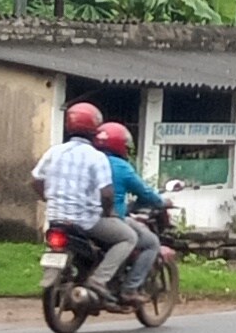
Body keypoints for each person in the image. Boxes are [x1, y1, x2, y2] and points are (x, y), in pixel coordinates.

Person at [35, 103, 141, 303]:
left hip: (56, 220)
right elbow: (107, 193)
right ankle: (99, 280)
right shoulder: (96, 157)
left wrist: (49, 198)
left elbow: (35, 180)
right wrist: (108, 212)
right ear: (95, 129)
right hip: (86, 222)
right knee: (128, 238)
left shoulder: (54, 152)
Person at [92, 121, 168, 299]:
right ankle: (130, 289)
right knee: (151, 243)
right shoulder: (121, 167)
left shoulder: (90, 160)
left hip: (83, 218)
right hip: (111, 219)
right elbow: (145, 192)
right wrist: (162, 201)